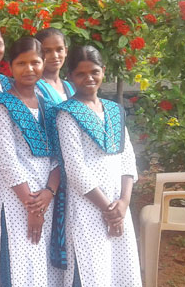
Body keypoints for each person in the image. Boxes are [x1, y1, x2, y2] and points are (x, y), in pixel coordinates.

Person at [46, 45, 141, 286]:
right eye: (81, 74)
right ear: (70, 76)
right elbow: (75, 169)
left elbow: (127, 158)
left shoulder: (114, 110)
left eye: (94, 72)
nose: (89, 78)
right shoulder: (67, 114)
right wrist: (108, 210)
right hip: (87, 206)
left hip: (119, 203)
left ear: (104, 72)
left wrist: (123, 204)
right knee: (90, 271)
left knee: (120, 268)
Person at [0, 36, 61, 287]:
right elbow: (6, 160)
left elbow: (58, 157)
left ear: (44, 63)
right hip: (16, 198)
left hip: (46, 197)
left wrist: (49, 193)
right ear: (10, 67)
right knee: (17, 266)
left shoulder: (50, 107)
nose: (29, 69)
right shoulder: (1, 106)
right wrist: (32, 205)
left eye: (35, 62)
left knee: (42, 269)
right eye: (21, 63)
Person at [34, 29, 74, 105]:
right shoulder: (33, 87)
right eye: (47, 51)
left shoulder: (71, 87)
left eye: (59, 50)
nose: (55, 56)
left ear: (65, 51)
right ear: (37, 53)